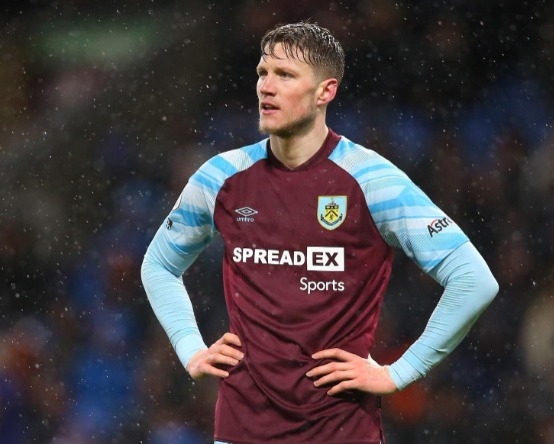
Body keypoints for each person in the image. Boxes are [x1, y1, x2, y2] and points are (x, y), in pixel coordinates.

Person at [141, 21, 499, 444]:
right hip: (240, 431)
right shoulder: (220, 177)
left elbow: (473, 279)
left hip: (341, 430)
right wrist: (190, 347)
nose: (266, 87)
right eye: (262, 73)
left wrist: (400, 372)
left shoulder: (372, 180)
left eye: (285, 75)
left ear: (325, 91)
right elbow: (159, 265)